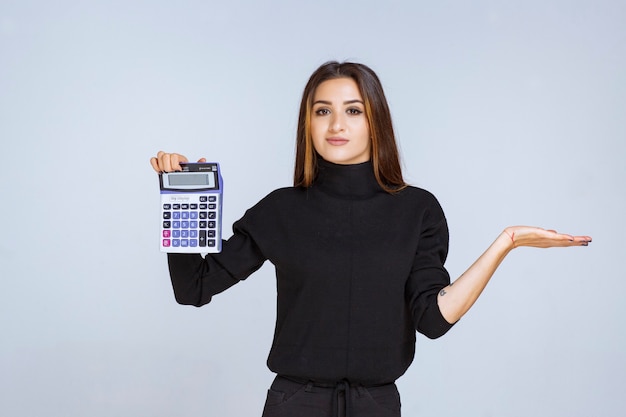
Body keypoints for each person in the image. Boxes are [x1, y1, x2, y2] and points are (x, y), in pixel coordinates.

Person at [149, 61, 591, 417]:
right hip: (293, 405)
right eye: (322, 110)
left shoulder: (417, 210)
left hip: (376, 406)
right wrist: (182, 204)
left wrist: (505, 243)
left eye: (353, 110)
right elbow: (194, 288)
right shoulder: (282, 209)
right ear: (308, 122)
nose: (336, 123)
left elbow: (433, 320)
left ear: (375, 119)